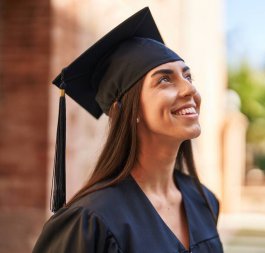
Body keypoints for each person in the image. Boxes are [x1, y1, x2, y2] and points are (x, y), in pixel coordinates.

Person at [33, 7, 224, 253]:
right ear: (124, 109)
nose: (189, 90)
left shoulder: (204, 202)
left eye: (188, 77)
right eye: (165, 79)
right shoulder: (90, 221)